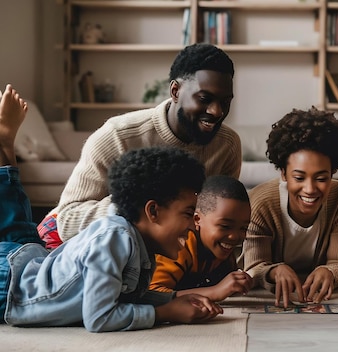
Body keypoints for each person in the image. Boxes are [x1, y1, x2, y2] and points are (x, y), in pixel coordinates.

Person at [1, 85, 223, 332]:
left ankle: (5, 146)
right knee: (15, 225)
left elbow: (123, 296)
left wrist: (174, 299)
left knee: (17, 223)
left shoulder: (141, 245)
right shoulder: (115, 238)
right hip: (9, 288)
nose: (194, 225)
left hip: (29, 265)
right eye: (187, 213)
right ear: (153, 211)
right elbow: (99, 317)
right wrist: (165, 312)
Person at [39, 43, 242, 249]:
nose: (217, 112)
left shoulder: (227, 146)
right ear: (175, 91)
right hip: (93, 253)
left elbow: (219, 218)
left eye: (225, 102)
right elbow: (67, 221)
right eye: (204, 98)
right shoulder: (117, 135)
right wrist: (143, 206)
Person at [242, 107, 338, 308]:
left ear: (333, 171)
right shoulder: (261, 202)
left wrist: (329, 271)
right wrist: (273, 271)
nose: (310, 189)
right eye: (299, 178)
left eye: (321, 178)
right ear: (283, 173)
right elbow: (253, 266)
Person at [149, 175, 253, 302]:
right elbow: (152, 294)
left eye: (243, 228)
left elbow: (223, 283)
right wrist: (214, 292)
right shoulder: (179, 246)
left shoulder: (219, 250)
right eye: (225, 226)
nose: (234, 236)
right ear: (197, 219)